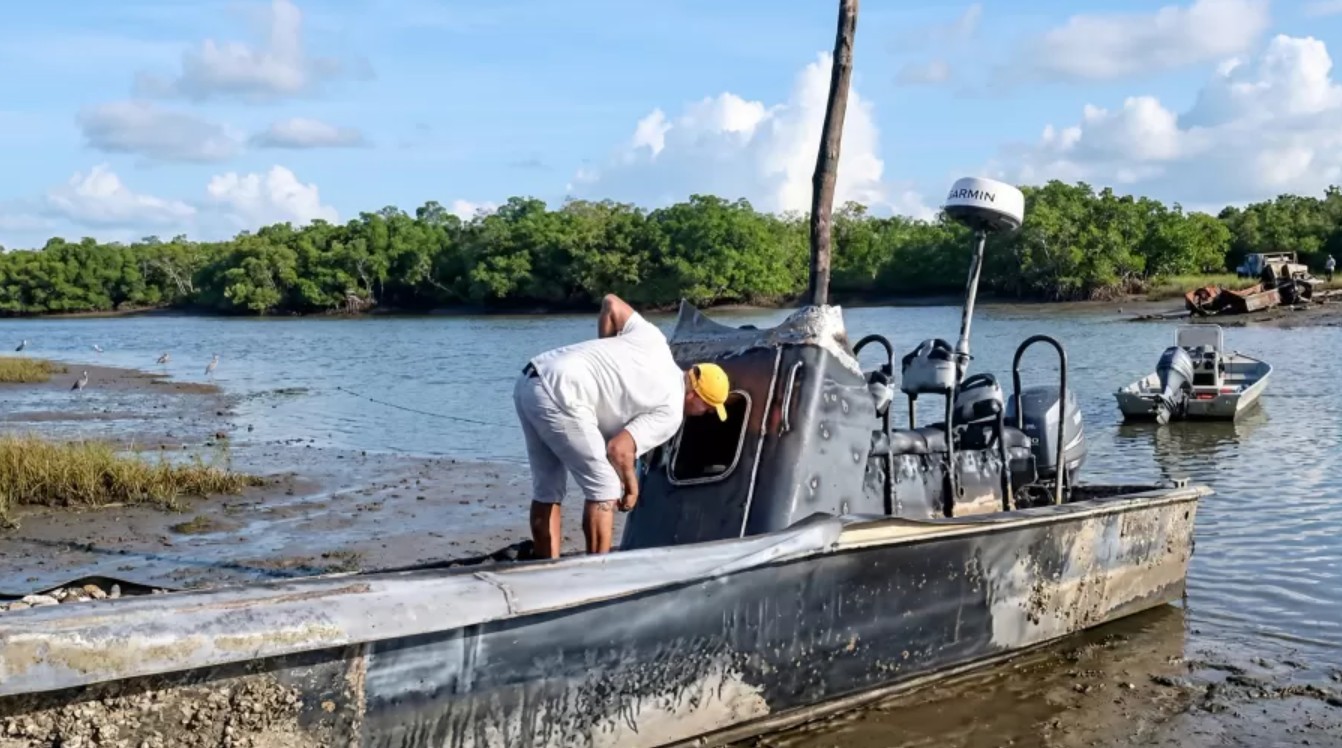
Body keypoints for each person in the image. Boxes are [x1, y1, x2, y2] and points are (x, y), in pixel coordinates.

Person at [513, 294, 730, 558]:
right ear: (695, 395)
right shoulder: (672, 410)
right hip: (564, 395)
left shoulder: (655, 340)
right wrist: (632, 486)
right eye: (707, 408)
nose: (702, 414)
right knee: (605, 488)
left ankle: (545, 567)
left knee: (547, 487)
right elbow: (619, 449)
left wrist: (606, 352)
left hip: (531, 377)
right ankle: (598, 573)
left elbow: (611, 304)